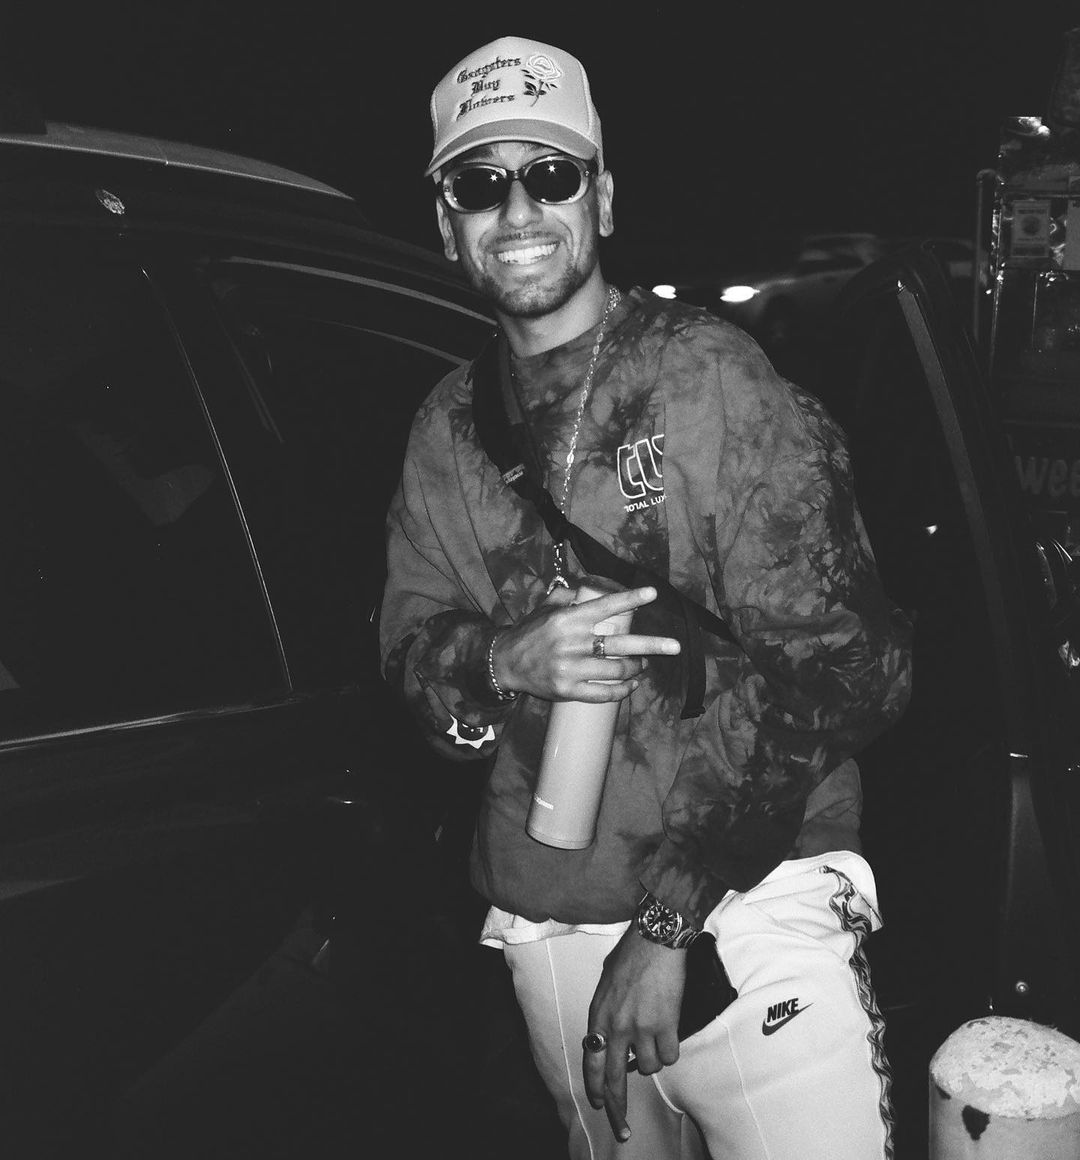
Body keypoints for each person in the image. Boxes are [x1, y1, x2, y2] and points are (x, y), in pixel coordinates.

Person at [379, 33, 913, 1160]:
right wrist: (502, 660)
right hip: (553, 914)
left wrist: (671, 919)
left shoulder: (709, 378)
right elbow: (412, 661)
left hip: (752, 900)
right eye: (478, 184)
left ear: (603, 198)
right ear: (446, 223)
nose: (517, 209)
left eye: (550, 174)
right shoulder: (446, 428)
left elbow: (852, 666)